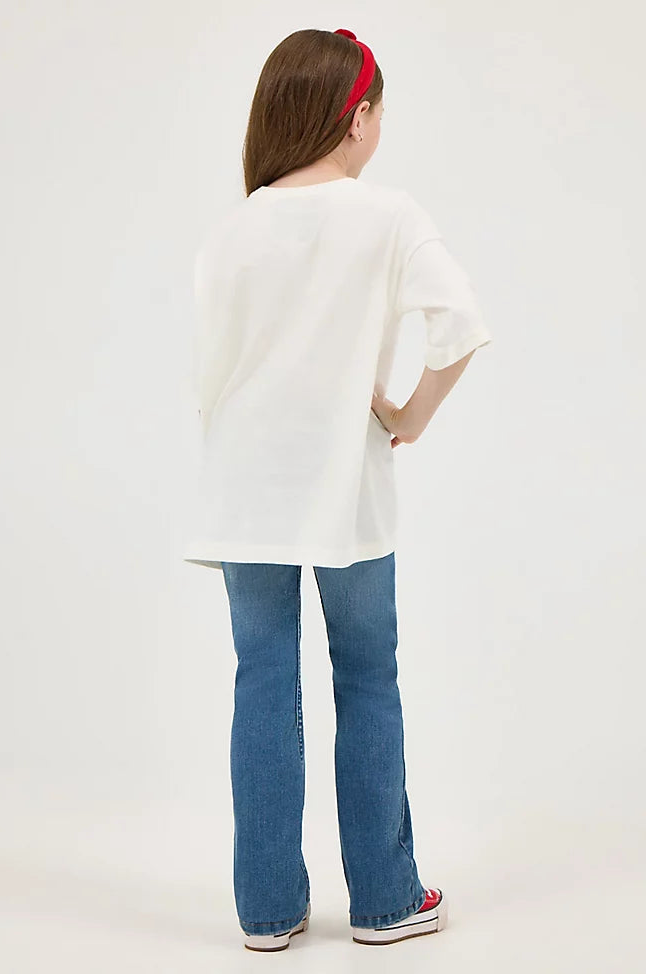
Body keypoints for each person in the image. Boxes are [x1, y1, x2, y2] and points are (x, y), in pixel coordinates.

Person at [183, 27, 493, 951]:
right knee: (366, 674)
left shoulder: (232, 229)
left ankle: (267, 911)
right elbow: (460, 322)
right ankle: (386, 900)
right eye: (380, 112)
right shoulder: (386, 215)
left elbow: (211, 374)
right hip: (344, 484)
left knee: (261, 680)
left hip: (244, 489)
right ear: (356, 118)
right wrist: (409, 415)